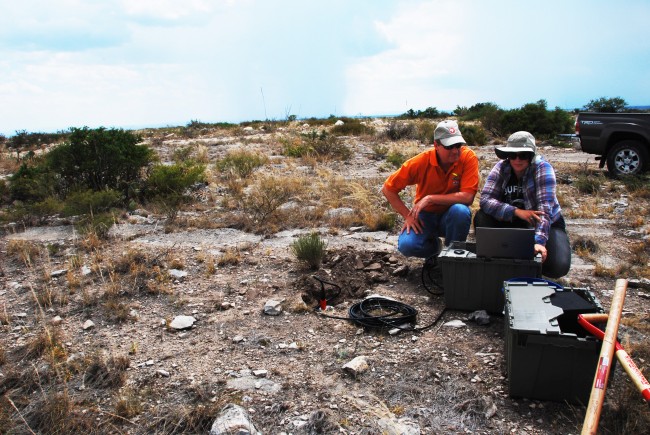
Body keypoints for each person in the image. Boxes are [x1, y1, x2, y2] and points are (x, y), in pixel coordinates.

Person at [474, 131, 571, 278]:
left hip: (542, 223)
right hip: (512, 220)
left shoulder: (543, 168)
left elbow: (545, 210)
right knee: (482, 217)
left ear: (531, 156)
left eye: (523, 155)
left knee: (557, 267)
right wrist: (516, 212)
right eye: (513, 155)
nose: (517, 160)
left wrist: (539, 242)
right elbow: (486, 200)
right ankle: (498, 260)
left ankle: (530, 263)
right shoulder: (501, 167)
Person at [382, 120, 479, 258]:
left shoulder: (468, 157)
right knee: (407, 246)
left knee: (461, 211)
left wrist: (430, 198)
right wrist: (408, 216)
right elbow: (388, 188)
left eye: (458, 145)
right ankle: (434, 249)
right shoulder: (421, 162)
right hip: (425, 216)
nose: (455, 150)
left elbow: (468, 197)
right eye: (449, 146)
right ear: (436, 145)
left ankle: (451, 259)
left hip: (451, 215)